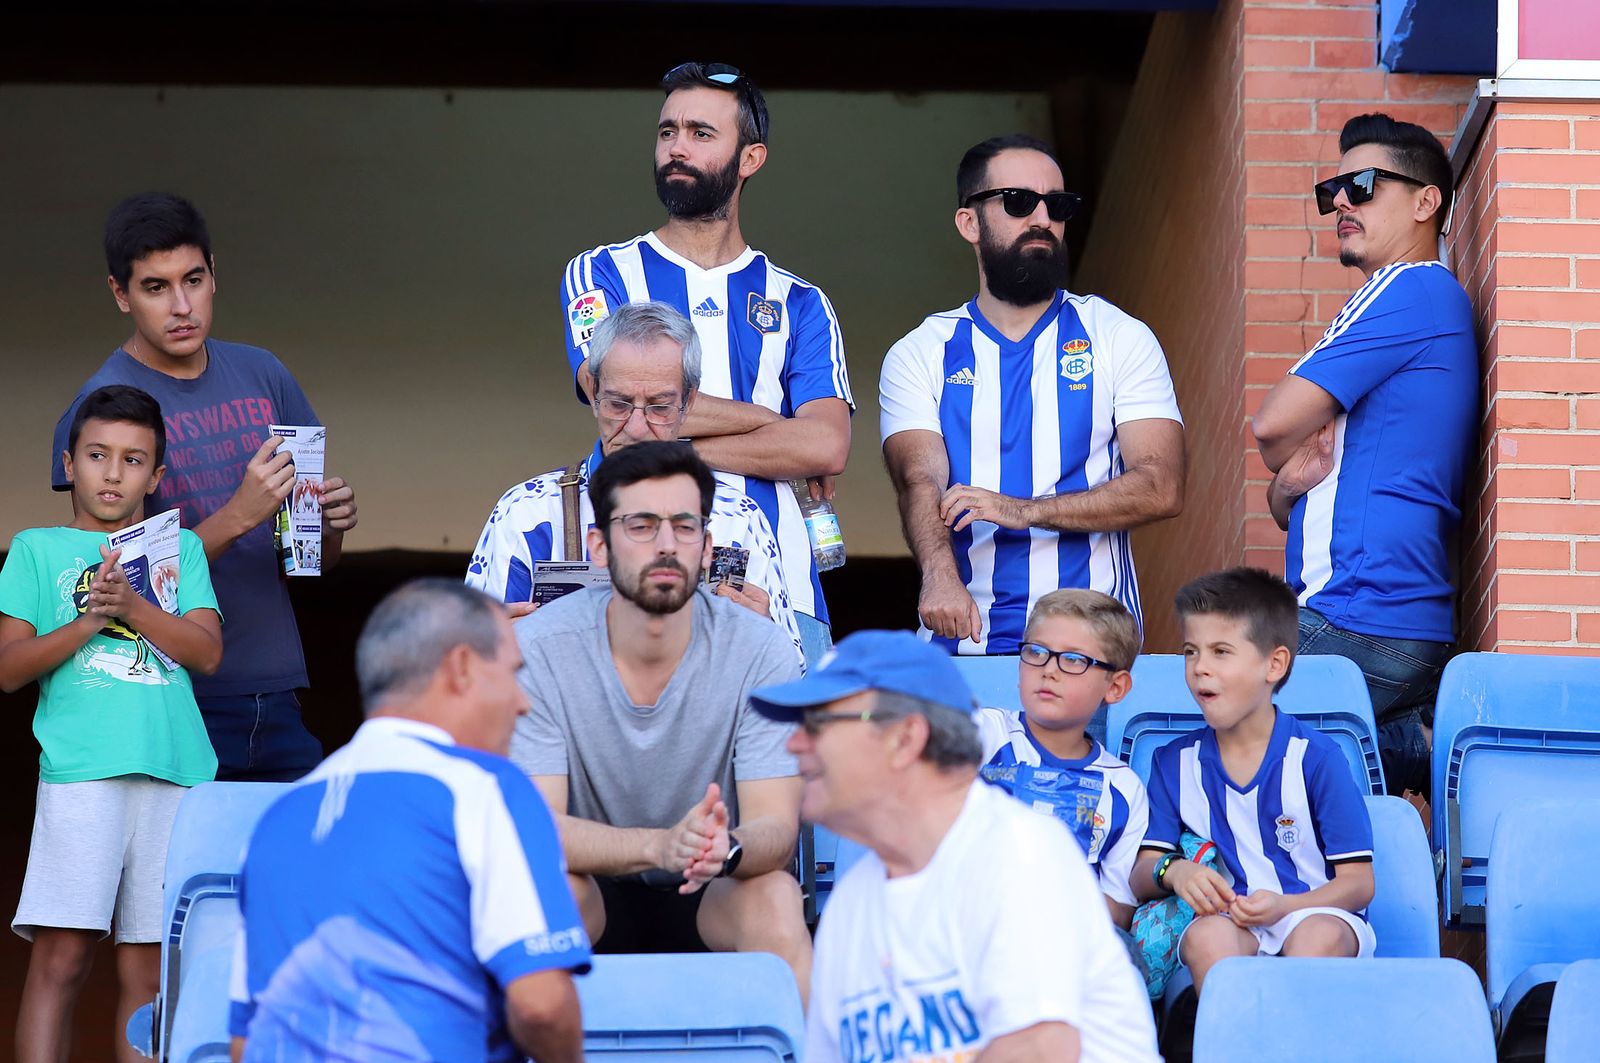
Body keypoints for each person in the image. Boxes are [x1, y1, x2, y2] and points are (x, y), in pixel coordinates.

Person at [51, 193, 359, 782]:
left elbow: (309, 564)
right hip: (167, 692)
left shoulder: (264, 373)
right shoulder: (104, 407)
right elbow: (111, 584)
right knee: (182, 876)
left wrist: (329, 526)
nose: (182, 305)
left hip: (276, 684)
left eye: (193, 279)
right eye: (156, 287)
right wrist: (239, 515)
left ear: (214, 273)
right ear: (120, 294)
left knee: (297, 867)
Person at [750, 630, 1159, 1062]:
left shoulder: (1017, 852)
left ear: (905, 738)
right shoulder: (852, 904)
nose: (794, 743)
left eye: (817, 724)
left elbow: (1039, 1050)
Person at [560, 61, 853, 661]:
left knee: (783, 755)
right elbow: (611, 397)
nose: (676, 148)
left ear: (751, 159)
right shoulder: (601, 272)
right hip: (637, 581)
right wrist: (774, 425)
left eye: (700, 133)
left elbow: (826, 447)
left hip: (781, 588)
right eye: (667, 132)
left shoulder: (801, 302)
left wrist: (671, 445)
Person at [229, 580, 588, 1063]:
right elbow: (541, 1005)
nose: (523, 702)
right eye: (513, 673)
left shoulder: (274, 821)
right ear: (462, 668)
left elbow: (244, 1042)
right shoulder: (485, 787)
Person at [510, 440, 812, 998]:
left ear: (707, 544)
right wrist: (658, 846)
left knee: (775, 898)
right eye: (642, 526)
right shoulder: (538, 647)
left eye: (684, 525)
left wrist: (727, 850)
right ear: (599, 547)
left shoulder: (760, 649)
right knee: (534, 895)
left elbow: (776, 830)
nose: (667, 545)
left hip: (713, 886)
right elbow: (537, 832)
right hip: (592, 889)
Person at [880, 134, 1184, 657]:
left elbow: (1160, 486)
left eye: (1058, 206)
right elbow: (919, 479)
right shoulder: (920, 352)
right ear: (969, 223)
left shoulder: (1118, 335)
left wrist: (1021, 510)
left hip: (1091, 650)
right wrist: (938, 576)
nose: (1043, 218)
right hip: (962, 647)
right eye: (1020, 203)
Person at [1251, 113, 1475, 797]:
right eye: (1333, 192)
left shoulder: (1403, 287)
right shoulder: (1421, 301)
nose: (1342, 203)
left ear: (1425, 200)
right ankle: (1410, 750)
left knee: (1205, 716)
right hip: (1390, 618)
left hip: (1357, 614)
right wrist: (1287, 492)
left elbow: (1271, 427)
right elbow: (1289, 479)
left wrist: (1282, 471)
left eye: (1363, 185)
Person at [1, 385, 222, 1063]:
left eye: (133, 460)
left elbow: (206, 651)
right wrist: (91, 619)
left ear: (156, 477)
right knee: (62, 961)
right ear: (69, 462)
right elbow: (10, 667)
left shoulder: (180, 547)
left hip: (176, 776)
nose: (113, 472)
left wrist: (130, 603)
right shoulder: (37, 549)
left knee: (149, 972)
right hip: (82, 775)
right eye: (98, 455)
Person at [467, 300, 802, 663]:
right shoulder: (526, 513)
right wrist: (490, 655)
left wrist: (765, 641)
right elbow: (465, 673)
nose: (638, 428)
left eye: (659, 407)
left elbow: (794, 677)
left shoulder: (739, 518)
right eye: (619, 404)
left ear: (688, 402)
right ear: (593, 393)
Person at [1131, 568, 1376, 994]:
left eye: (1221, 651)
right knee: (1208, 937)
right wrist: (1176, 871)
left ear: (1274, 664)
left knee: (1314, 938)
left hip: (1313, 910)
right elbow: (1140, 871)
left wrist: (1286, 905)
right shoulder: (1174, 763)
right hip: (1233, 921)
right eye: (1191, 652)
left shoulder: (1316, 759)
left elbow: (1358, 884)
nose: (1200, 668)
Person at [974, 588, 1148, 929]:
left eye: (1073, 660)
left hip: (1068, 942)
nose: (1048, 670)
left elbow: (1118, 910)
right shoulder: (984, 733)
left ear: (1115, 687)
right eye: (1036, 652)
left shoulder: (1123, 789)